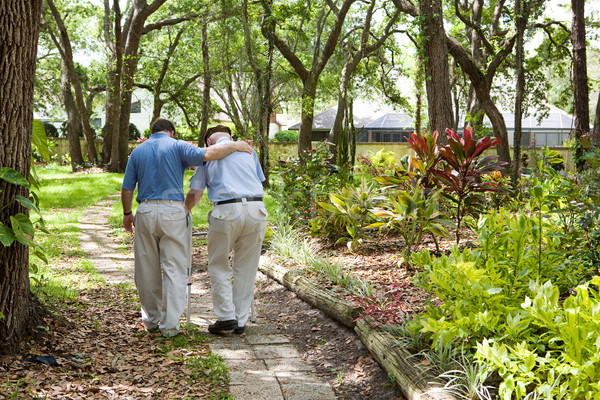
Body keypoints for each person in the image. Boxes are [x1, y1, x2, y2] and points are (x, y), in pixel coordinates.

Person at [121, 119, 252, 337]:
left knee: (145, 268)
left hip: (145, 211)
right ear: (171, 132)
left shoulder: (137, 151)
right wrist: (236, 145)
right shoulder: (177, 145)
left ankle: (151, 320)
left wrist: (127, 214)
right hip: (172, 211)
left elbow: (127, 187)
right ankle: (170, 327)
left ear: (152, 132)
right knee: (174, 268)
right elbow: (209, 154)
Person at [185, 125, 267, 335]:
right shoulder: (249, 150)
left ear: (209, 142)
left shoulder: (209, 155)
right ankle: (240, 320)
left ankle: (226, 316)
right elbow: (259, 181)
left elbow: (196, 193)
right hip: (257, 209)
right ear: (229, 136)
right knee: (247, 267)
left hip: (227, 210)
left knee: (219, 263)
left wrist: (184, 210)